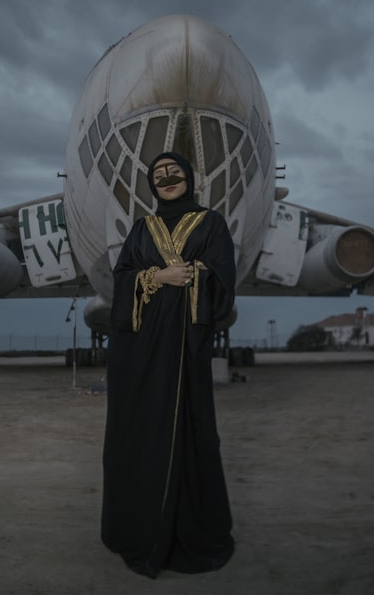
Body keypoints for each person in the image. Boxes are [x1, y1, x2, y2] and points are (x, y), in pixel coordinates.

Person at [101, 152, 237, 578]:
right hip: (141, 354)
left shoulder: (212, 223)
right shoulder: (142, 229)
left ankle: (190, 532)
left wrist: (194, 274)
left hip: (187, 354)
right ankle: (139, 529)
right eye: (158, 175)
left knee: (190, 431)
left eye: (174, 172)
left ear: (190, 178)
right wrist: (158, 278)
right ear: (151, 185)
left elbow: (224, 279)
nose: (167, 179)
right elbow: (122, 280)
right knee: (141, 431)